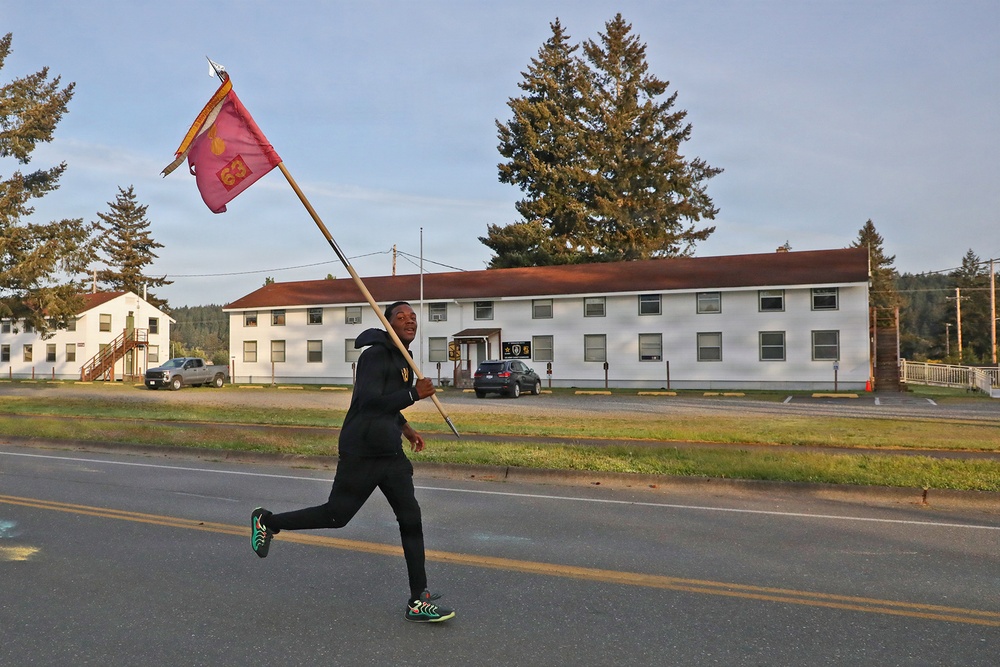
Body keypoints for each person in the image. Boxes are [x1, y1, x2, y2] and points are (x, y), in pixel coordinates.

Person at [250, 301, 455, 623]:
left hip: (390, 452)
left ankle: (418, 600)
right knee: (336, 516)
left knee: (411, 519)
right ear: (388, 325)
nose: (409, 320)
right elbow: (369, 402)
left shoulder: (404, 357)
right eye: (400, 317)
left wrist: (406, 429)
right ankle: (268, 522)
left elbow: (388, 404)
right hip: (362, 450)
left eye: (413, 316)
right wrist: (414, 395)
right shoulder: (373, 355)